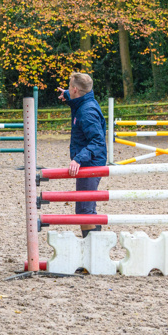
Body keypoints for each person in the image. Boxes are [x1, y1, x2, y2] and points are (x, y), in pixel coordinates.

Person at [57, 72, 107, 238]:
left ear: (76, 90)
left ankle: (93, 246)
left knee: (84, 210)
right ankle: (94, 244)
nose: (69, 89)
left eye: (70, 87)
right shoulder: (85, 101)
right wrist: (66, 94)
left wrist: (78, 158)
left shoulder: (87, 112)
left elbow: (98, 142)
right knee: (86, 207)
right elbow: (78, 103)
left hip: (91, 163)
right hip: (89, 160)